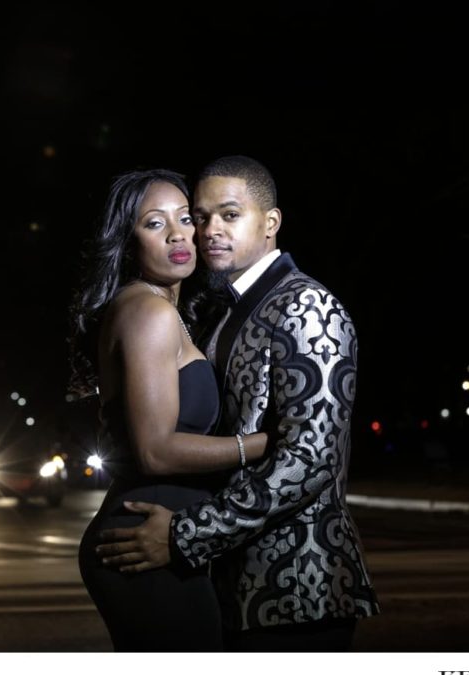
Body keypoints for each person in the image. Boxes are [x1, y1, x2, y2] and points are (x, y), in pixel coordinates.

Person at [95, 156, 380, 651]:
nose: (207, 231)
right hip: (230, 584)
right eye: (200, 216)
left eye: (229, 215)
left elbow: (311, 460)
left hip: (296, 585)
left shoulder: (306, 306)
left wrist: (186, 534)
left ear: (270, 224)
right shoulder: (219, 312)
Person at [69, 168, 269, 651]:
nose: (179, 235)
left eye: (185, 219)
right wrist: (266, 444)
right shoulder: (148, 312)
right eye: (155, 223)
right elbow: (155, 452)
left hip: (161, 539)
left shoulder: (159, 309)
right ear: (127, 239)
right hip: (141, 545)